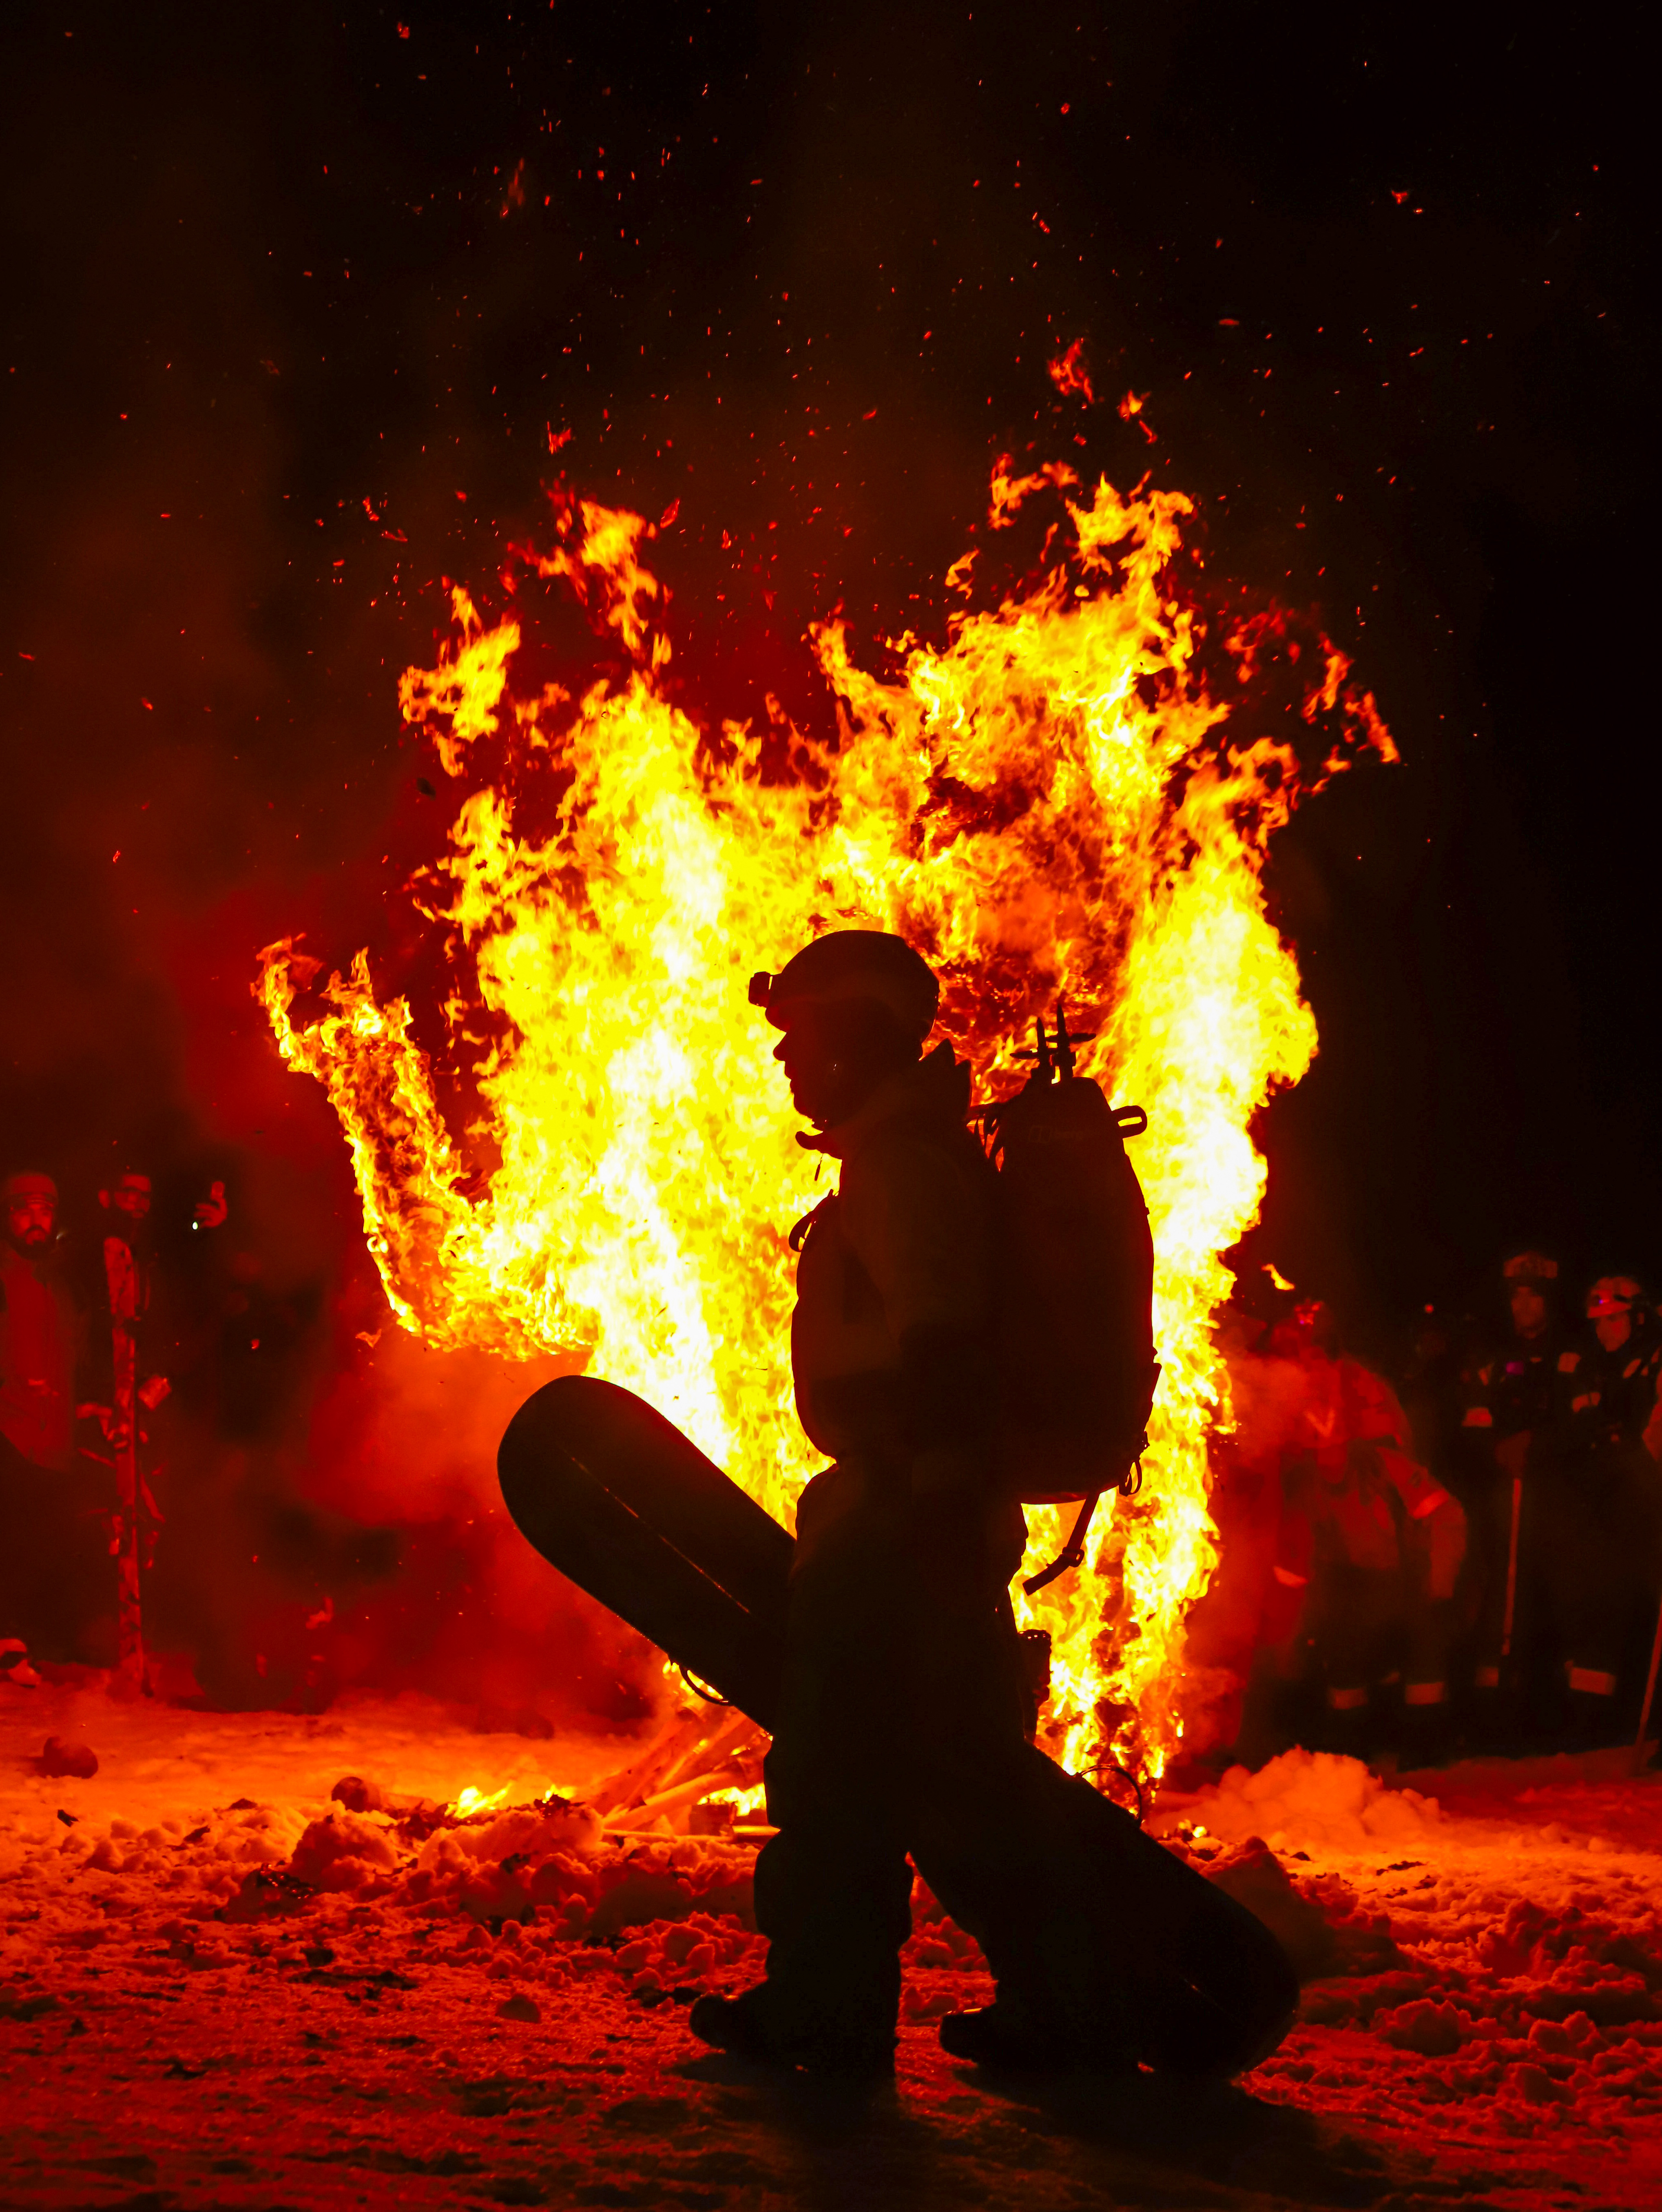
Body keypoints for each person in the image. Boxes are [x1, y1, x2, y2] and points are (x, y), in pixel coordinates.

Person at [687, 930, 1132, 2082]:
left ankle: (837, 2018)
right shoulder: (903, 1155)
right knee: (948, 1781)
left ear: (857, 1038)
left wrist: (932, 1509)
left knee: (847, 1774)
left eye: (805, 1037)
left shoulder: (904, 1169)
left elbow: (941, 1345)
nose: (788, 1062)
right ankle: (1053, 2005)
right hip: (910, 1514)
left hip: (901, 1526)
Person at [1270, 1300, 1466, 1765]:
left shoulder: (1384, 1466)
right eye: (1321, 1452)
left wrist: (1440, 1583)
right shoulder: (1308, 1492)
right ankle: (1350, 1752)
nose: (1330, 1459)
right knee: (1345, 1660)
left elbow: (1448, 1516)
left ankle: (1426, 1748)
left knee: (1423, 1655)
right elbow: (1294, 1570)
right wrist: (1290, 1638)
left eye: (1336, 1448)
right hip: (1354, 1584)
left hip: (1410, 1574)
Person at [1536, 1276, 1662, 1746]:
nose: (1606, 1330)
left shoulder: (1655, 1359)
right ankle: (1591, 1722)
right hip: (1605, 1504)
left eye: (1615, 1318)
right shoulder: (1589, 1368)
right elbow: (1576, 1432)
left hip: (1650, 1500)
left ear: (1638, 1316)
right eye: (1598, 1322)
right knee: (1598, 1608)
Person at [1457, 1250, 1568, 1740]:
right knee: (1496, 1596)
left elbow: (1579, 1424)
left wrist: (1538, 1445)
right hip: (1502, 1498)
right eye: (1517, 1297)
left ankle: (1545, 1714)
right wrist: (1497, 1449)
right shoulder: (1494, 1362)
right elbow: (1473, 1423)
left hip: (1557, 1501)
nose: (1524, 1305)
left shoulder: (1570, 1357)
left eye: (1533, 1296)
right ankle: (1492, 1714)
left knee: (1548, 1598)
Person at [0, 1171, 102, 1676]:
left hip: (55, 1431)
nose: (35, 1220)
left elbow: (79, 1352)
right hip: (9, 1427)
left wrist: (86, 1401)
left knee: (47, 1537)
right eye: (24, 1210)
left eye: (44, 1211)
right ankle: (8, 1638)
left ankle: (38, 1636)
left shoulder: (65, 1283)